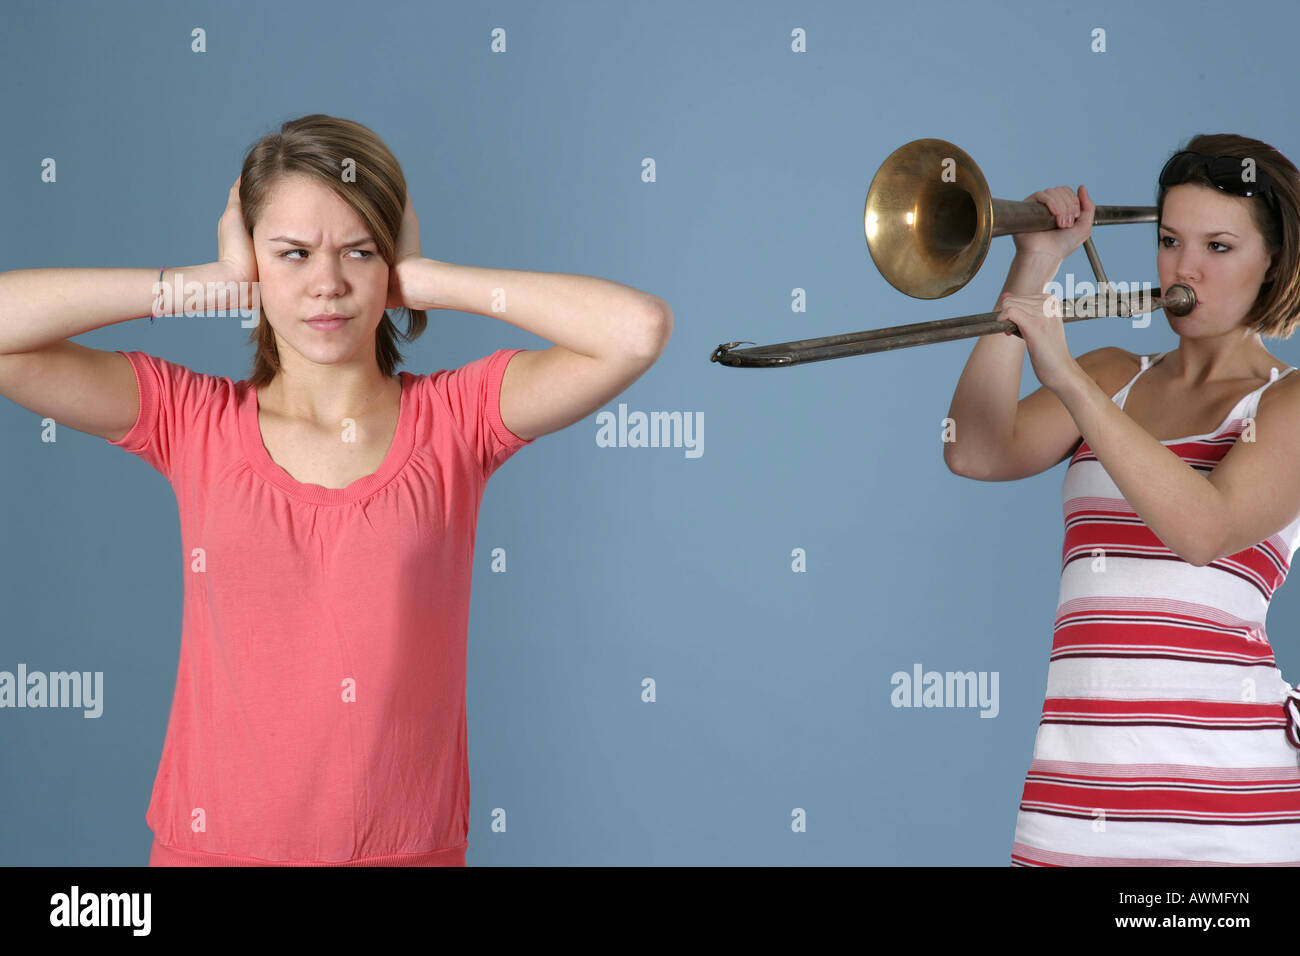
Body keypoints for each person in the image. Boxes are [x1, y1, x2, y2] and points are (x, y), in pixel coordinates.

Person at [0, 114, 672, 866]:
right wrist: (209, 286)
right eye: (293, 254)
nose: (328, 284)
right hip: (210, 852)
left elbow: (636, 329)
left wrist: (426, 279)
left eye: (360, 251)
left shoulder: (459, 418)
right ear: (254, 259)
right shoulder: (190, 420)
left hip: (405, 853)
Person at [944, 133, 1300, 865]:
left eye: (1220, 247)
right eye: (1170, 240)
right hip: (1075, 795)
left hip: (1232, 809)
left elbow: (1205, 529)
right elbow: (975, 449)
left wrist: (1068, 379)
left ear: (1275, 264)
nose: (1184, 267)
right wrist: (1034, 267)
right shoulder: (1116, 375)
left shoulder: (1289, 401)